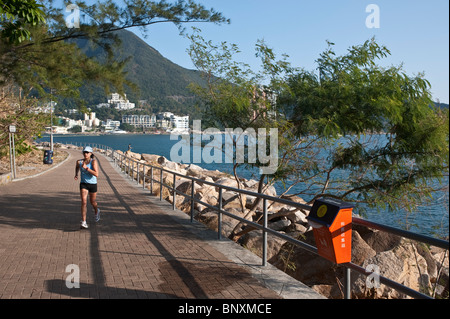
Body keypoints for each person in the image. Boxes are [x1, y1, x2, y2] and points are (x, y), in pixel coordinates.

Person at [74, 146, 100, 229]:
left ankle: (97, 211)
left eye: (87, 152)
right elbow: (77, 167)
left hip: (92, 184)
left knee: (92, 202)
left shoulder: (93, 162)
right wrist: (76, 174)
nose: (85, 154)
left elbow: (96, 174)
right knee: (84, 202)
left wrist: (87, 168)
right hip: (83, 184)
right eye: (84, 152)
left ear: (91, 153)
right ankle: (84, 222)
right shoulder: (79, 162)